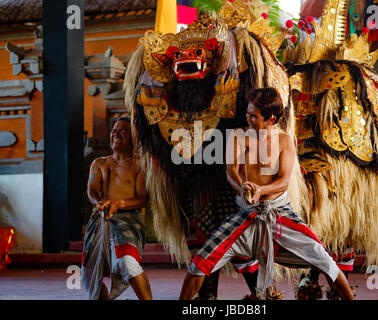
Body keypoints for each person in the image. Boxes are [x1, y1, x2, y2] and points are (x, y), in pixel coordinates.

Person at [179, 88, 355, 300]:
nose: (248, 118)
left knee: (325, 261)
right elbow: (231, 171)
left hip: (280, 213)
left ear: (271, 118)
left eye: (253, 115)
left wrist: (261, 190)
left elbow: (282, 182)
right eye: (247, 113)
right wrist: (241, 186)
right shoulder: (238, 136)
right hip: (246, 214)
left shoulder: (284, 141)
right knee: (200, 262)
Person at [81, 116, 152, 300]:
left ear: (133, 138)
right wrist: (99, 204)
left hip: (127, 223)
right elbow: (91, 191)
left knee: (128, 263)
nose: (116, 133)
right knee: (89, 276)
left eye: (122, 130)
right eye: (114, 130)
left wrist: (118, 204)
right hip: (100, 221)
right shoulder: (99, 163)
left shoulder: (140, 163)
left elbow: (143, 199)